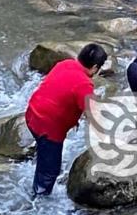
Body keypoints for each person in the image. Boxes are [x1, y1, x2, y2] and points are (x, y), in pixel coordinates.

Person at [25, 43, 108, 196]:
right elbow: (94, 116)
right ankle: (38, 202)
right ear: (95, 67)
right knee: (51, 172)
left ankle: (39, 164)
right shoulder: (84, 84)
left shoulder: (66, 64)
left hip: (32, 115)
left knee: (44, 154)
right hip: (48, 128)